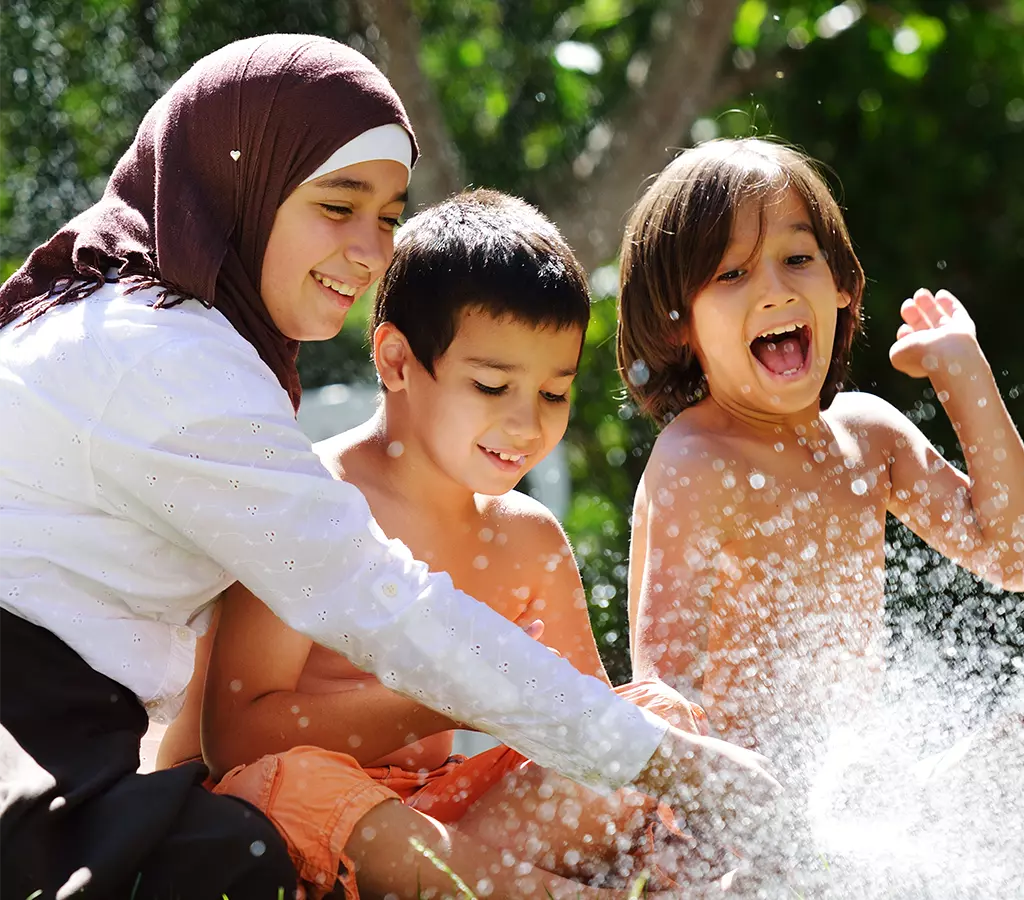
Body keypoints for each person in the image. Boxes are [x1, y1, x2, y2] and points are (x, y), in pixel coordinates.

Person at [0, 37, 776, 899]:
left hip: (81, 732)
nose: (370, 252)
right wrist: (670, 763)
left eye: (386, 215)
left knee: (643, 727)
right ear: (242, 182)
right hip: (37, 724)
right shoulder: (169, 362)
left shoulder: (162, 327)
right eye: (336, 206)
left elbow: (567, 714)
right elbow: (371, 607)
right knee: (264, 827)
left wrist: (648, 753)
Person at [615, 138, 1024, 877]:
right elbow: (664, 692)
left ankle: (953, 879)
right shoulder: (695, 463)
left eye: (797, 258)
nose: (773, 288)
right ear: (678, 321)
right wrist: (697, 833)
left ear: (841, 284)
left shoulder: (867, 436)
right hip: (749, 827)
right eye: (733, 273)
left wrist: (965, 375)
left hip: (865, 808)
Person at [159, 189, 710, 899]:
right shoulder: (312, 505)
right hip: (285, 825)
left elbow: (590, 732)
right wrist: (450, 696)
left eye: (553, 394)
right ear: (395, 362)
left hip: (446, 830)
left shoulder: (528, 541)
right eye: (491, 385)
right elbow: (233, 743)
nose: (525, 424)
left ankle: (518, 884)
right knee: (293, 782)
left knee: (654, 720)